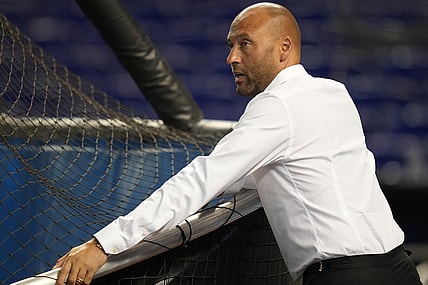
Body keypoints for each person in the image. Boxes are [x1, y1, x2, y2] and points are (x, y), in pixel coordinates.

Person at [54, 2, 422, 285]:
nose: (232, 57)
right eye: (231, 45)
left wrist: (105, 244)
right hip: (397, 267)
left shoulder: (277, 105)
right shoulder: (333, 92)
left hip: (349, 276)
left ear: (284, 48)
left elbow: (202, 180)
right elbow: (272, 173)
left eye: (245, 44)